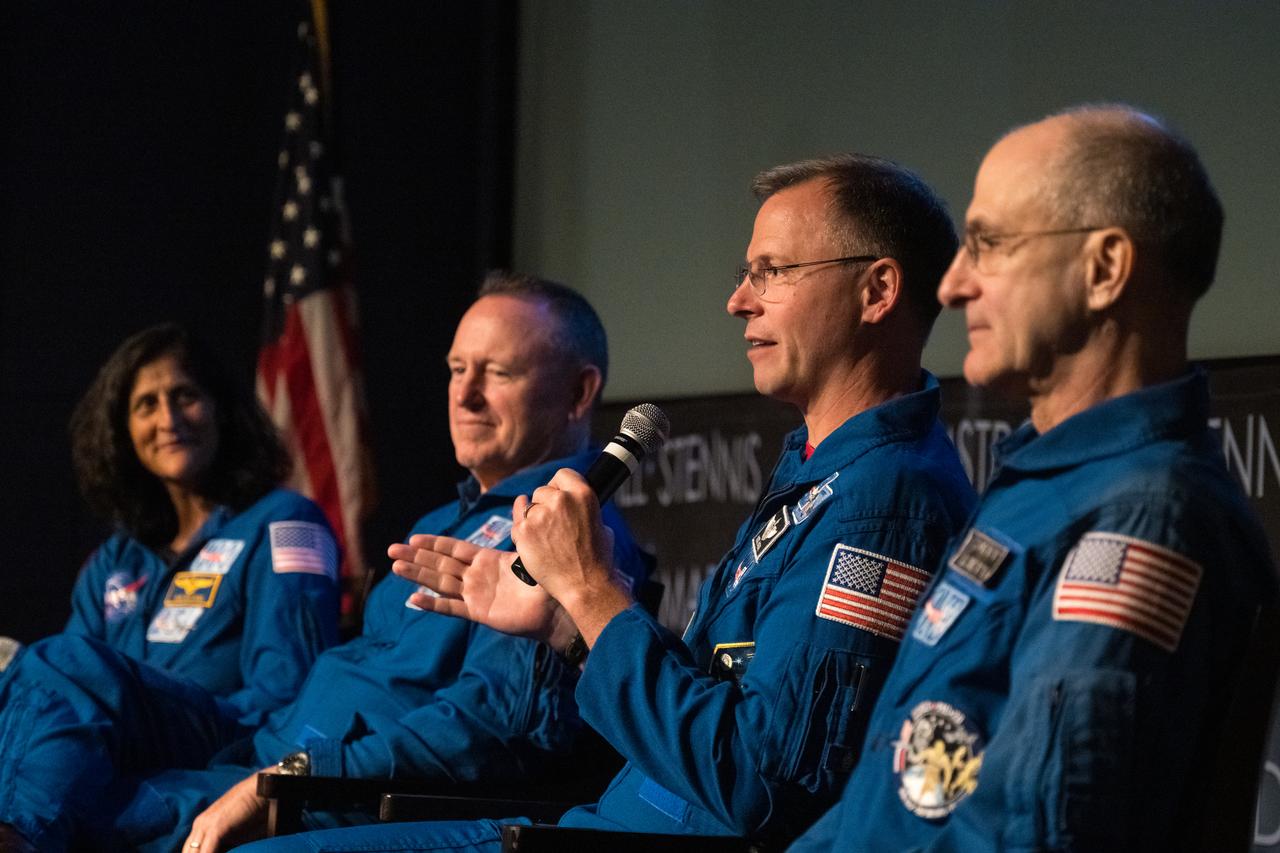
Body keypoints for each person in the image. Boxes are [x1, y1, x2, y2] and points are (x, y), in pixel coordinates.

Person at [242, 154, 979, 853]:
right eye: (744, 273)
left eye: (773, 272)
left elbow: (763, 782)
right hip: (608, 822)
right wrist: (569, 626)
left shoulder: (886, 498)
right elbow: (713, 695)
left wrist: (594, 596)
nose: (738, 300)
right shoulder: (822, 471)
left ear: (877, 291)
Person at [0, 274, 646, 853]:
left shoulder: (569, 536)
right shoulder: (442, 521)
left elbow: (495, 728)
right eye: (456, 369)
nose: (465, 395)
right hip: (271, 757)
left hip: (330, 787)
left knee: (71, 808)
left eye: (498, 373)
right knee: (55, 694)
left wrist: (301, 772)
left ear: (578, 392)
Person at [789, 106, 1279, 851]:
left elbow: (1040, 829)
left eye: (988, 245)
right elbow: (890, 802)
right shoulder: (1046, 487)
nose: (953, 285)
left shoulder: (1144, 513)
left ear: (1104, 270)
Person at [1, 322, 340, 722]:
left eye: (185, 396)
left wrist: (158, 722)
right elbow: (71, 688)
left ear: (221, 410)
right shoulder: (114, 561)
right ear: (123, 432)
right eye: (147, 404)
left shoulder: (287, 523)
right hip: (107, 755)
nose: (168, 419)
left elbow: (289, 694)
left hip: (224, 758)